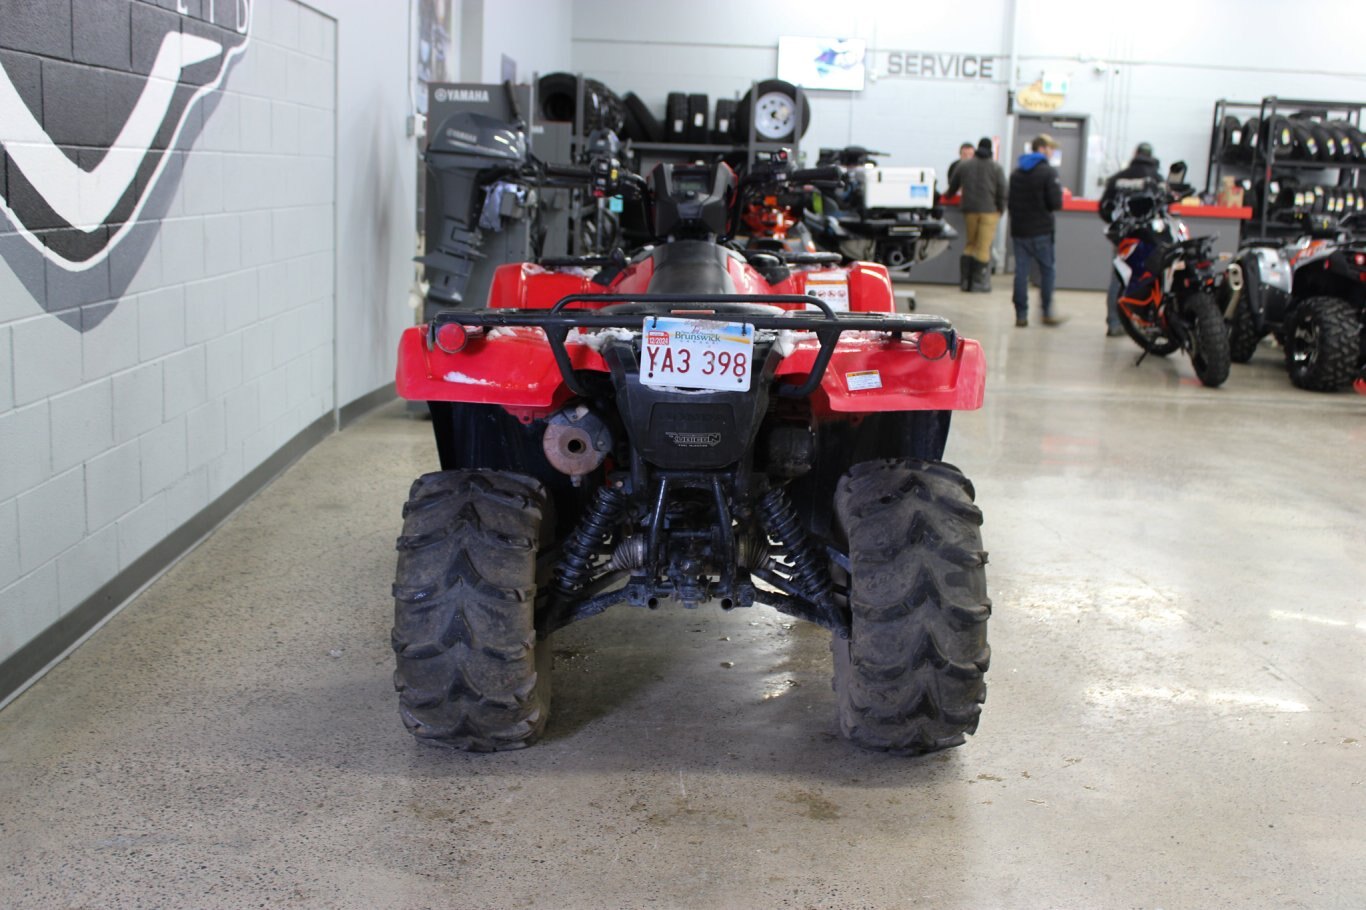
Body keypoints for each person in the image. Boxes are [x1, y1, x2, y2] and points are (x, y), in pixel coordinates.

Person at [1099, 142, 1161, 337]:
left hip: (1124, 237)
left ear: (1135, 154)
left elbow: (1104, 207)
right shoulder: (1156, 179)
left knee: (1119, 278)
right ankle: (1147, 324)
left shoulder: (1118, 178)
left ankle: (1114, 323)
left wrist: (1117, 225)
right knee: (1151, 279)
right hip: (1150, 237)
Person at [1007, 134, 1065, 327]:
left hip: (1019, 230)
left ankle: (1021, 315)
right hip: (1041, 230)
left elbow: (1011, 203)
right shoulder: (1048, 172)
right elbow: (1056, 203)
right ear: (1042, 149)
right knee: (1047, 271)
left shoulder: (1016, 173)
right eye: (1050, 149)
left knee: (1021, 273)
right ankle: (1047, 312)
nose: (1052, 152)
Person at [945, 137, 1007, 293]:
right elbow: (1003, 190)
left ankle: (965, 282)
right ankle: (979, 284)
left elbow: (953, 186)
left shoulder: (964, 165)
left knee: (970, 244)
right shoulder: (996, 167)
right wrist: (1001, 209)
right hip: (989, 211)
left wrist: (945, 197)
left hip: (969, 210)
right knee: (983, 246)